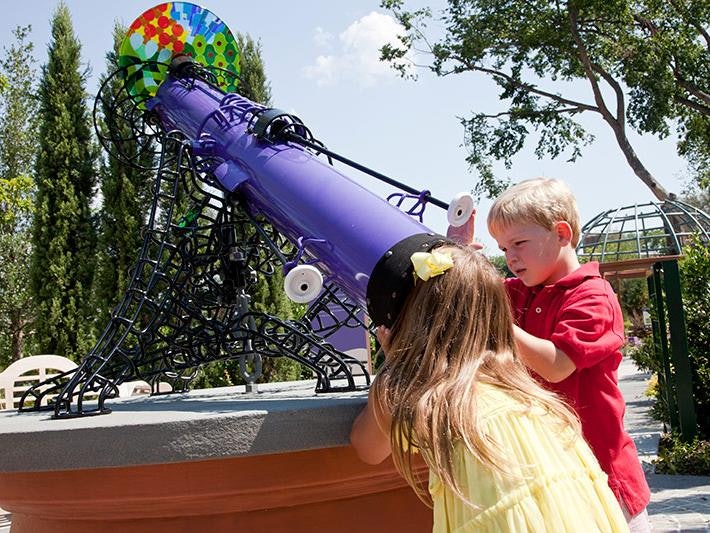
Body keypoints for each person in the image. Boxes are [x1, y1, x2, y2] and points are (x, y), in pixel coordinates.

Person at [350, 245, 628, 532]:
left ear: (412, 321)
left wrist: (395, 364)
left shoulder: (437, 404)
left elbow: (367, 447)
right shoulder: (530, 397)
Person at [487, 177, 651, 531]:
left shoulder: (593, 296)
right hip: (556, 476)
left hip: (605, 480)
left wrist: (498, 324)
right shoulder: (520, 292)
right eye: (502, 249)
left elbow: (558, 364)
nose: (510, 257)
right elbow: (474, 290)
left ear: (561, 233)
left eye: (518, 243)